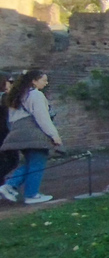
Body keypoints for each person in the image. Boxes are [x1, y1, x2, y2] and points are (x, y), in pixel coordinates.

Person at [0, 70, 62, 204]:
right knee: (38, 164)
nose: (46, 83)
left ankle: (10, 186)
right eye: (43, 80)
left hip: (18, 135)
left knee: (31, 163)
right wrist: (54, 135)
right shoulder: (36, 95)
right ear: (34, 81)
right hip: (34, 134)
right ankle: (31, 194)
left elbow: (11, 120)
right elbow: (42, 118)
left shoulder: (16, 97)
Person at [0, 75, 20, 181]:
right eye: (9, 82)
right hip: (4, 134)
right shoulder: (5, 97)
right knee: (12, 160)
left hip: (5, 133)